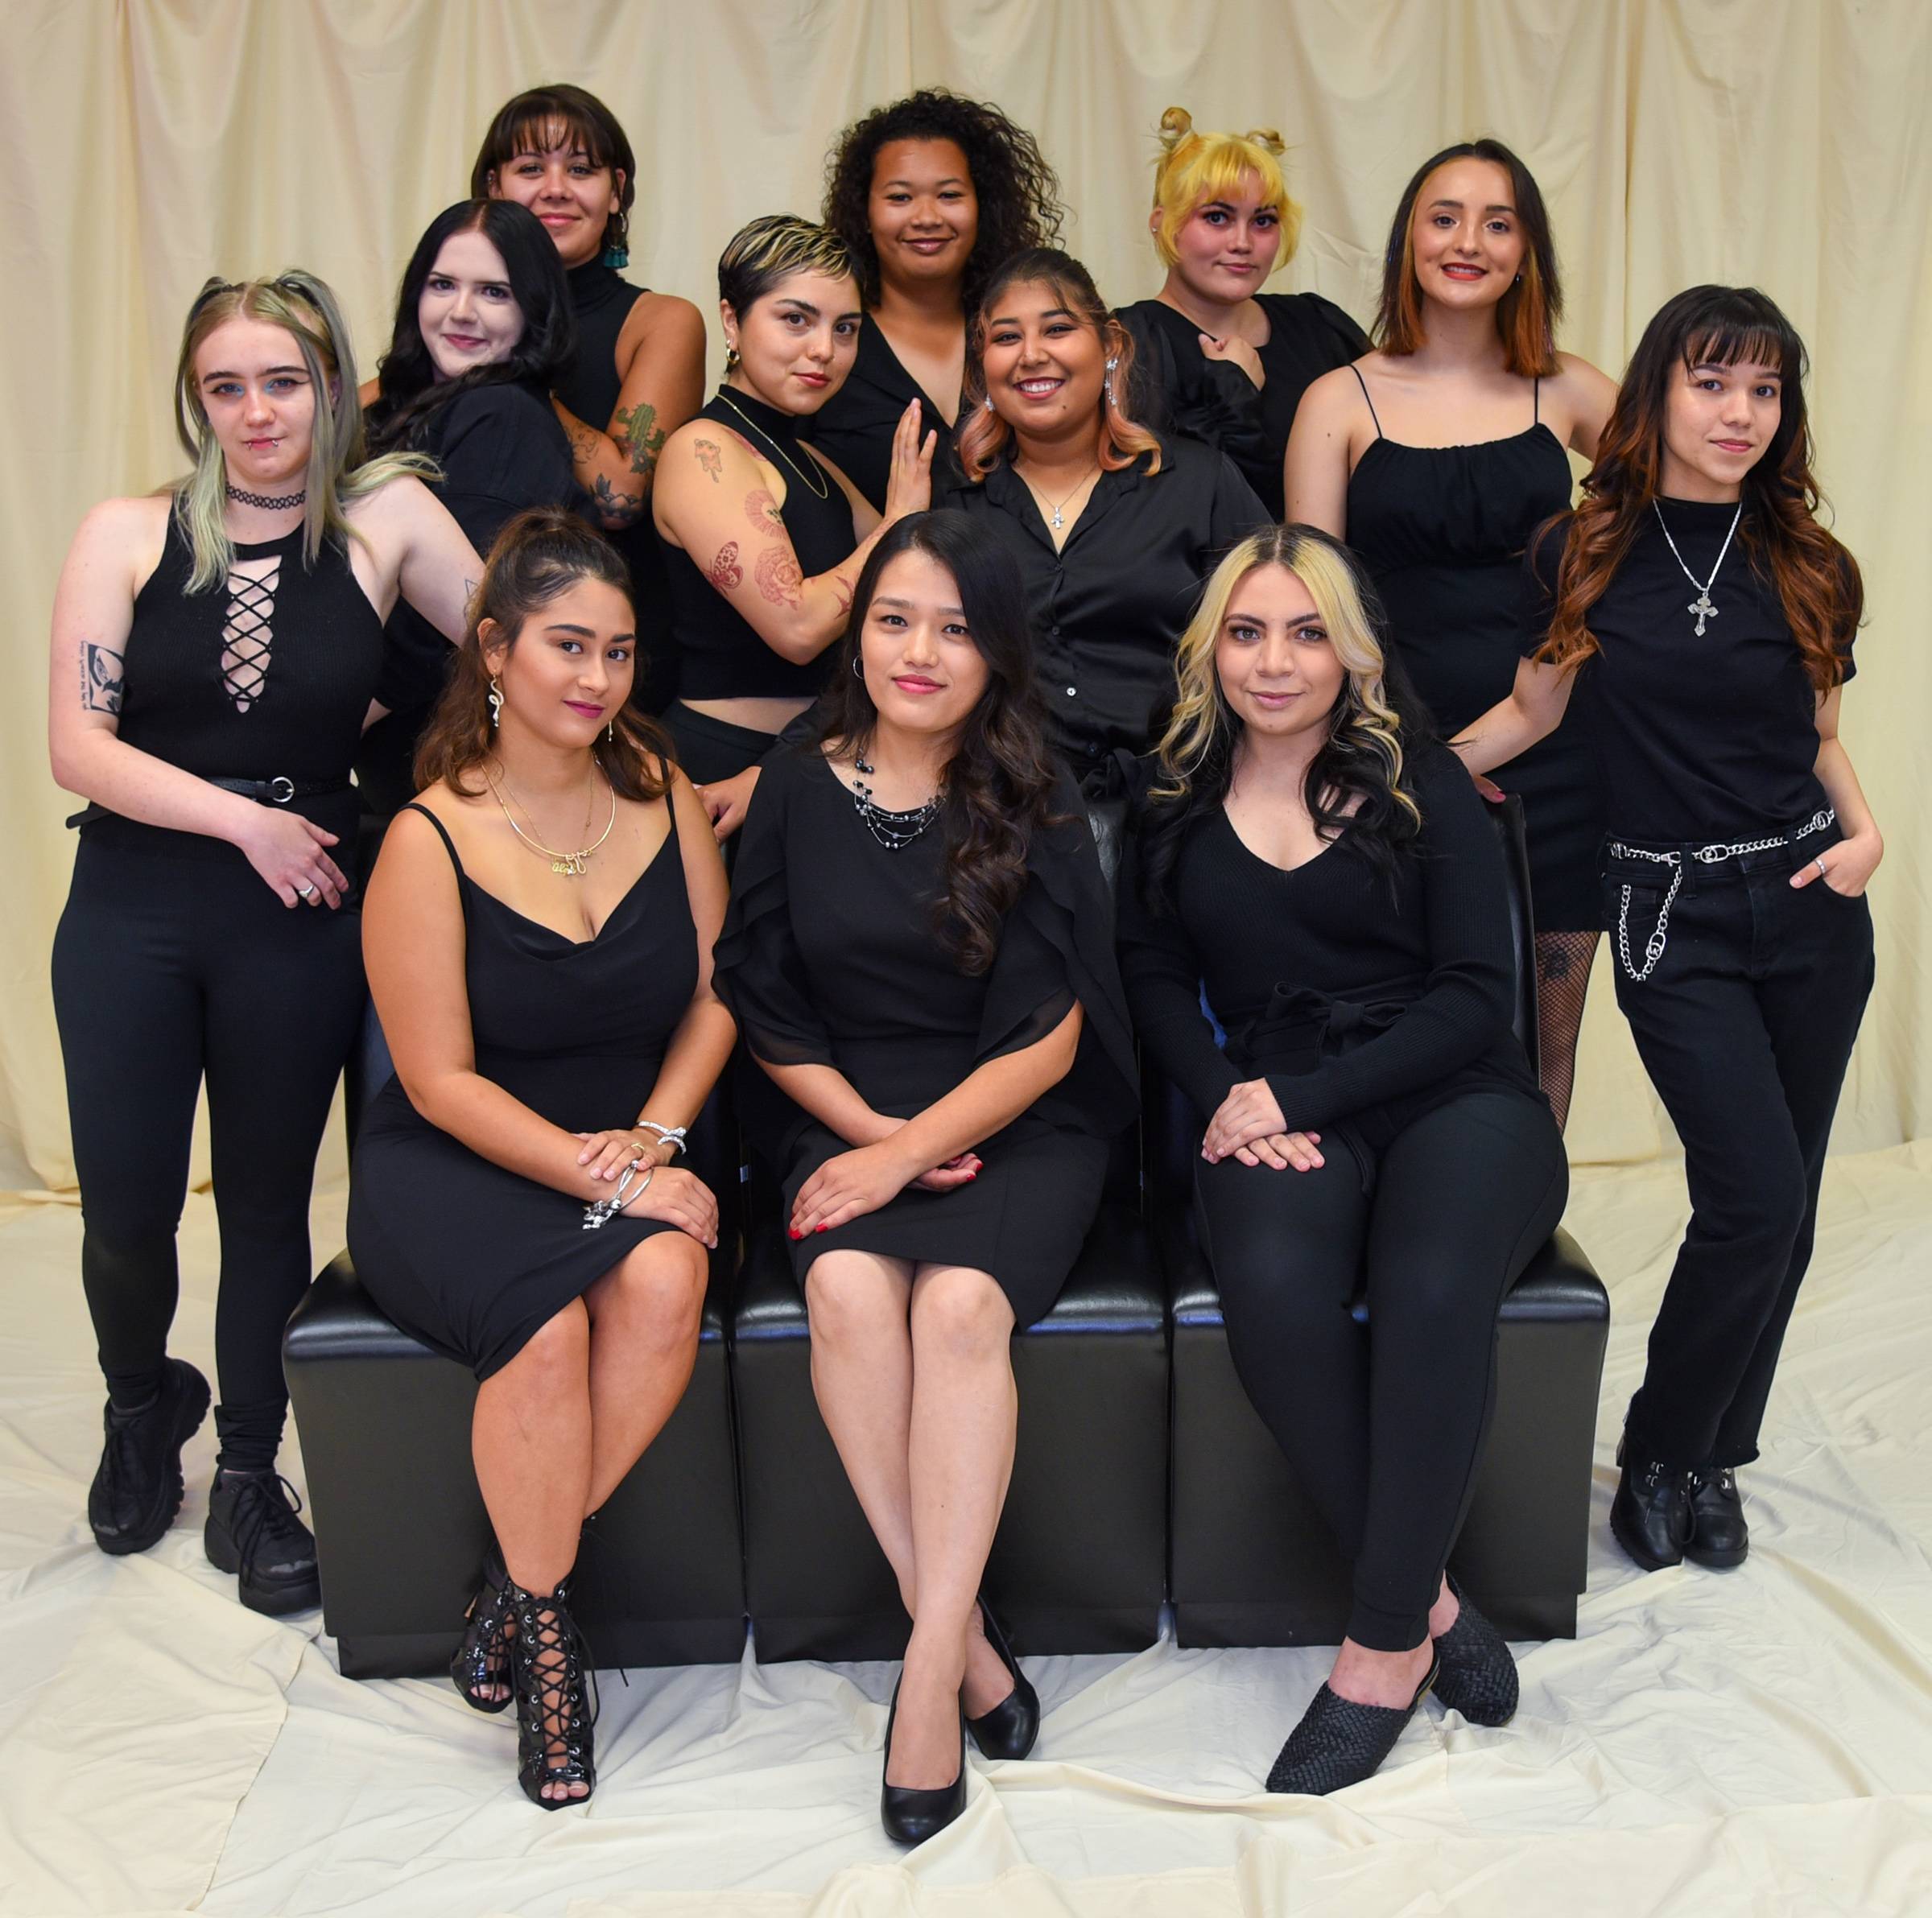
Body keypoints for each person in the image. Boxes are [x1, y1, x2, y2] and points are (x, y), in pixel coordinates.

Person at [47, 272, 480, 1616]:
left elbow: (523, 652)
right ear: (196, 398)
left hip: (296, 919)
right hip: (133, 905)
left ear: (335, 386)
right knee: (123, 1209)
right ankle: (141, 1406)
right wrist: (247, 821)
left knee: (269, 1206)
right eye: (223, 386)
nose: (253, 411)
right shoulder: (123, 533)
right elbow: (79, 748)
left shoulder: (389, 519)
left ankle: (247, 1471)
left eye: (280, 382)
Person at [1119, 522, 1567, 1796]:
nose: (1276, 661)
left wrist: (1294, 1094)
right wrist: (1231, 1100)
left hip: (1451, 1095)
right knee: (1269, 1286)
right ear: (1213, 649)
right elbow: (1151, 978)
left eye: (1308, 631)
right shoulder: (1169, 797)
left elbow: (1479, 999)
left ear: (1352, 650)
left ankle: (1376, 1652)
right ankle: (1429, 1599)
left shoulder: (1422, 779)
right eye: (1249, 632)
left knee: (1432, 1290)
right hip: (1269, 1098)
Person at [712, 510, 1137, 1845]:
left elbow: (1052, 1028)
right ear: (859, 628)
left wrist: (907, 1150)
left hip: (1017, 1114)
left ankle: (924, 1679)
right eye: (896, 617)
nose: (919, 650)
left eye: (957, 628)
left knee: (957, 1309)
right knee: (845, 1291)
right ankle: (966, 1651)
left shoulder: (1035, 790)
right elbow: (763, 995)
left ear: (996, 652)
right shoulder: (795, 776)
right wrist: (863, 1137)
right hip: (834, 1106)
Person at [1451, 287, 1877, 1574]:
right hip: (1669, 912)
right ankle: (1656, 1445)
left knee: (1787, 1213)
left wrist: (1864, 836)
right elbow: (1527, 717)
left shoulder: (1809, 560)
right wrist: (1384, 788)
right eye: (1713, 384)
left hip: (1811, 904)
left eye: (1764, 391)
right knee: (1752, 1196)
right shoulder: (1579, 550)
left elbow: (1815, 741)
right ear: (1656, 395)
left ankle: (1711, 1457)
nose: (1740, 413)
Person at [350, 509, 734, 1808]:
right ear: (496, 650)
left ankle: (508, 1591)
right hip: (459, 1154)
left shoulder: (663, 790)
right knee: (550, 1328)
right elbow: (440, 1080)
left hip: (628, 1127)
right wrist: (617, 1180)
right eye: (568, 647)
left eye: (619, 653)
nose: (595, 680)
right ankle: (551, 1642)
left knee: (669, 1281)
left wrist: (661, 1138)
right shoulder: (427, 836)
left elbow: (719, 992)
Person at [1285, 138, 1617, 1128]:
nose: (1467, 241)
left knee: (1548, 1019)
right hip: (1389, 750)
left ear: (1527, 254)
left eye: (1498, 222)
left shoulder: (1568, 388)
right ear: (1407, 241)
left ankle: (1529, 1208)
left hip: (1557, 746)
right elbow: (1311, 607)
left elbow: (1676, 503)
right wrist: (1412, 757)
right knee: (1406, 1002)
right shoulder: (1339, 399)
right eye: (1444, 217)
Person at [946, 248, 1268, 786]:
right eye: (1006, 337)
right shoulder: (956, 504)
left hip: (1181, 811)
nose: (1030, 355)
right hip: (1009, 824)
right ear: (983, 365)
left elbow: (1287, 623)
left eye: (1057, 329)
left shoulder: (1196, 482)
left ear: (1111, 346)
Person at [651, 214, 934, 790]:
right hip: (719, 765)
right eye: (796, 320)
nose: (824, 350)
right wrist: (901, 520)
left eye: (846, 329)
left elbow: (909, 583)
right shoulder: (702, 448)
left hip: (814, 758)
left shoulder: (813, 458)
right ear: (732, 321)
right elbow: (798, 628)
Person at [473, 83, 706, 712]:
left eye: (581, 169)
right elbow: (339, 424)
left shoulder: (661, 320)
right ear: (494, 188)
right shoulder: (457, 319)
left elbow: (622, 495)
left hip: (605, 668)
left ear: (617, 190)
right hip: (465, 651)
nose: (556, 188)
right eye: (530, 169)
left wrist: (504, 361)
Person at [358, 198, 588, 819]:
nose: (461, 312)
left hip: (446, 767)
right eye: (442, 285)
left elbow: (442, 625)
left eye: (494, 292)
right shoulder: (414, 408)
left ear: (532, 310)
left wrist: (323, 729)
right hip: (406, 761)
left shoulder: (503, 416)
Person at [812, 88, 1065, 509]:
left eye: (949, 195)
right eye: (900, 197)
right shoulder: (826, 349)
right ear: (864, 212)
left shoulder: (1027, 343)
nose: (927, 218)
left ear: (983, 208)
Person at [1117, 107, 1368, 519]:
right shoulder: (1133, 343)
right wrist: (1233, 394)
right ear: (1163, 223)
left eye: (1263, 221)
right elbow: (1155, 514)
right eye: (1217, 217)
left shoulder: (1319, 326)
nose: (1242, 242)